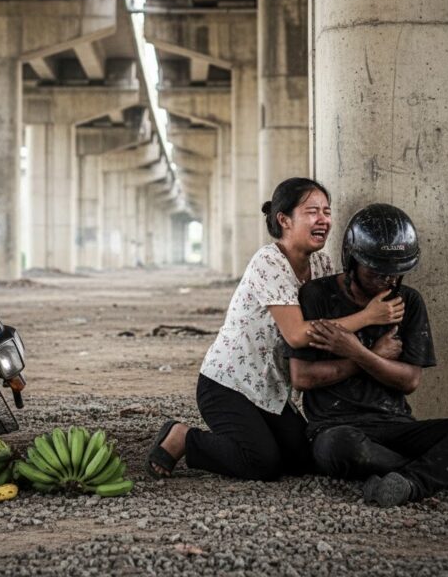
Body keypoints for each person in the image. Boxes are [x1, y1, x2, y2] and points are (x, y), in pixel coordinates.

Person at [146, 178, 405, 481]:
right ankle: (183, 438)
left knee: (301, 459)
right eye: (312, 212)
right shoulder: (268, 262)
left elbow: (331, 319)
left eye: (327, 211)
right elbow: (296, 334)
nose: (323, 219)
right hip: (227, 385)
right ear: (284, 220)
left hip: (271, 390)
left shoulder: (321, 265)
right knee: (261, 463)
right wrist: (368, 316)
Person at [285, 203, 448, 506]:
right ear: (352, 259)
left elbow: (409, 381)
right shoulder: (317, 295)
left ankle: (411, 482)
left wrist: (358, 352)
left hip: (397, 425)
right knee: (339, 446)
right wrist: (369, 354)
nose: (389, 281)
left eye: (397, 273)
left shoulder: (409, 301)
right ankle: (443, 476)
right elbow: (302, 377)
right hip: (336, 427)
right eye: (376, 272)